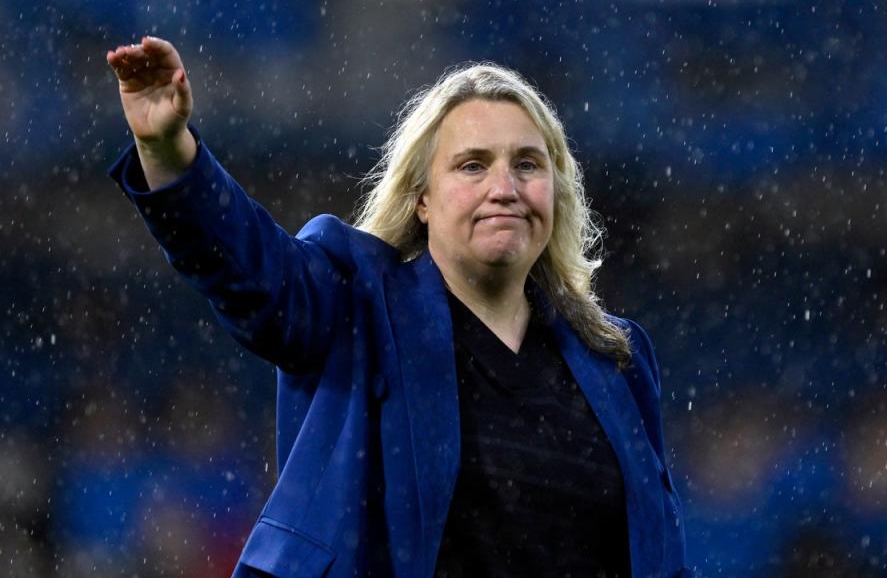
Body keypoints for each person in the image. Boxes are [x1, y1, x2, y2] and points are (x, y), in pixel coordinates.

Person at [106, 36, 690, 578]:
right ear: (422, 201)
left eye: (528, 165)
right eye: (472, 165)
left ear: (555, 195)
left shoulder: (616, 359)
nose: (504, 187)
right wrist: (168, 148)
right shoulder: (358, 303)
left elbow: (660, 552)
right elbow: (250, 270)